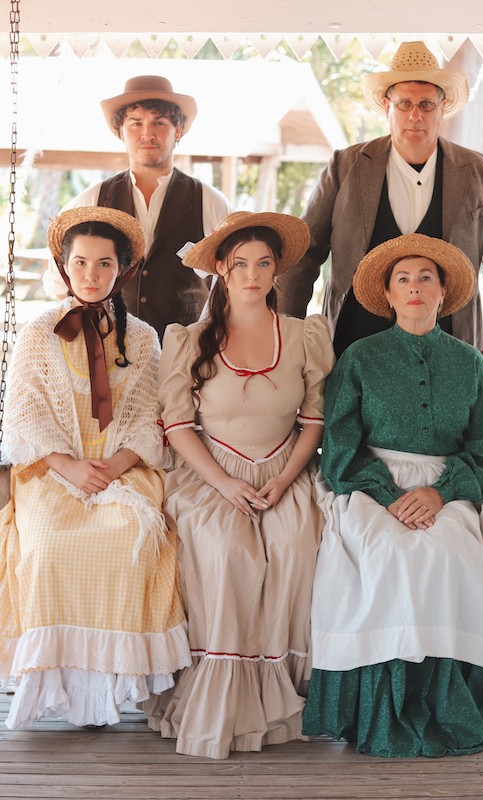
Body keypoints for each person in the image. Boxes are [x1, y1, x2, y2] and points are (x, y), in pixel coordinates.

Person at [302, 233, 483, 757]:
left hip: (450, 488)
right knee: (384, 552)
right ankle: (382, 710)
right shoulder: (359, 359)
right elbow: (340, 446)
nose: (414, 287)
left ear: (443, 291)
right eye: (403, 279)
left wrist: (440, 493)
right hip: (369, 483)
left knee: (450, 551)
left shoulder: (471, 364)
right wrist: (387, 495)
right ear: (387, 294)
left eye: (425, 278)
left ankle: (448, 702)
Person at [142, 211, 335, 759]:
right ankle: (221, 698)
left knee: (295, 546)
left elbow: (314, 421)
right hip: (212, 473)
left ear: (277, 271)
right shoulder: (189, 339)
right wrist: (225, 484)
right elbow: (178, 426)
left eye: (263, 264)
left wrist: (285, 479)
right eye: (240, 264)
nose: (252, 275)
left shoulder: (303, 335)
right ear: (222, 270)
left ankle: (283, 695)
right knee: (227, 551)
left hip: (285, 470)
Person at [0, 207, 191, 729]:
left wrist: (115, 465)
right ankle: (55, 687)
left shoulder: (142, 338)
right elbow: (24, 415)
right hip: (52, 469)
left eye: (104, 263)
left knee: (131, 540)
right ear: (64, 267)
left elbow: (149, 416)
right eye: (80, 262)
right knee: (47, 548)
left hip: (122, 467)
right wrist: (69, 466)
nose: (91, 274)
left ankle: (105, 693)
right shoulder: (38, 333)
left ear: (122, 270)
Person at [278, 40, 483, 376]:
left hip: (450, 350)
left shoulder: (480, 172)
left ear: (442, 108)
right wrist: (287, 336)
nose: (415, 115)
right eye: (405, 103)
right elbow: (304, 255)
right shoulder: (345, 166)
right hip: (353, 345)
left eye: (426, 105)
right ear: (387, 106)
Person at [43, 75, 233, 340]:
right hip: (109, 349)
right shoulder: (92, 199)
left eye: (159, 123)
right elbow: (58, 281)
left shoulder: (210, 202)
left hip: (186, 351)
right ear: (121, 131)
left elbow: (236, 279)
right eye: (135, 123)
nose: (147, 134)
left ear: (178, 131)